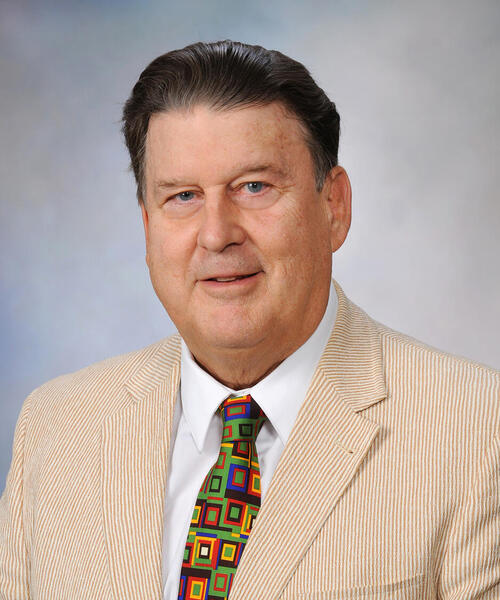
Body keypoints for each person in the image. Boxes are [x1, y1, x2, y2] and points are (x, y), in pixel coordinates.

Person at [0, 40, 498, 600]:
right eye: (183, 196)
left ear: (334, 206)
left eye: (254, 187)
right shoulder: (56, 427)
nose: (217, 234)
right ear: (147, 225)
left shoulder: (477, 430)